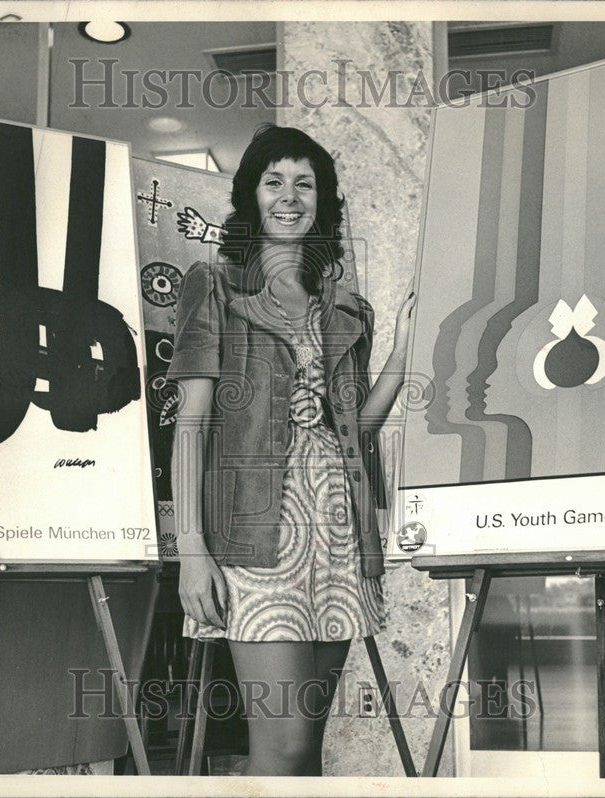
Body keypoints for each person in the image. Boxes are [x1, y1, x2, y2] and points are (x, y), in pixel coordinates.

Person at [167, 124, 416, 776]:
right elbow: (189, 425)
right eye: (273, 180)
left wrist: (401, 353)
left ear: (322, 200)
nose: (289, 196)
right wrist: (192, 550)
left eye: (304, 183)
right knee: (284, 748)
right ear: (250, 194)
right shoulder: (213, 287)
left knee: (308, 754)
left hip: (337, 535)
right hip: (255, 538)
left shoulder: (344, 310)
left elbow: (354, 431)